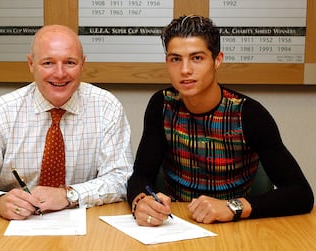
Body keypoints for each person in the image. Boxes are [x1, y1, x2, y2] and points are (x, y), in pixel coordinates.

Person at [127, 15, 314, 226]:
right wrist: (141, 201)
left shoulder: (249, 114)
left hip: (237, 225)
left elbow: (301, 194)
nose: (185, 69)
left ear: (217, 60)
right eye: (176, 59)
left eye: (197, 58)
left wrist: (233, 207)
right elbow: (141, 174)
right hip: (176, 223)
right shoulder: (161, 105)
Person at [0, 25, 134, 220]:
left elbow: (121, 179)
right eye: (48, 63)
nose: (60, 74)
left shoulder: (107, 108)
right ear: (31, 64)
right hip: (17, 226)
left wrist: (69, 194)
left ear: (83, 64)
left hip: (86, 227)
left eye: (70, 62)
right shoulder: (2, 112)